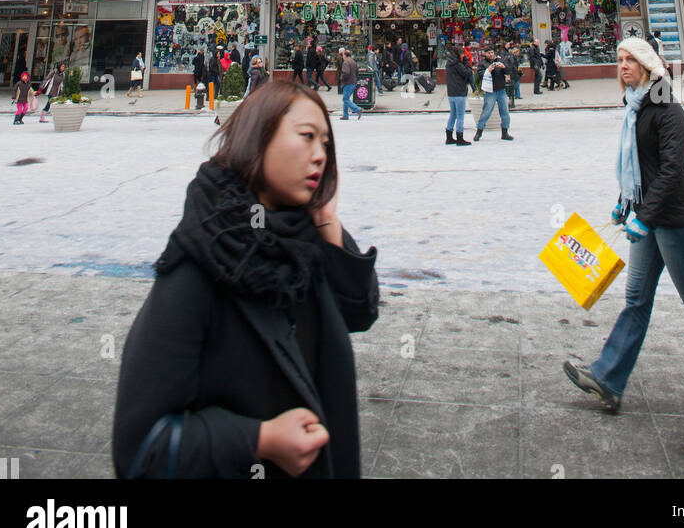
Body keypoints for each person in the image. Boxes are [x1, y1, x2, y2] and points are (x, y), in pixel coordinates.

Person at [113, 80, 379, 478]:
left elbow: (359, 312)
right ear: (259, 137)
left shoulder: (303, 237)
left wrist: (327, 220)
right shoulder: (200, 263)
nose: (320, 155)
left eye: (326, 143)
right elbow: (140, 449)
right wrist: (260, 439)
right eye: (307, 137)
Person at [563, 39, 684, 433]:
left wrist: (646, 215)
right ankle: (608, 379)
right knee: (636, 299)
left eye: (631, 60)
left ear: (649, 65)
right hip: (649, 219)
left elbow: (672, 171)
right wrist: (626, 202)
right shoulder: (636, 106)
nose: (623, 66)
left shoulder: (667, 110)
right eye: (619, 60)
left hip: (676, 223)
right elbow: (641, 166)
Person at [474, 49, 513, 141]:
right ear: (485, 54)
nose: (491, 54)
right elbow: (479, 75)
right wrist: (487, 70)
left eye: (492, 52)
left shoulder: (500, 60)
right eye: (489, 53)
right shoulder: (482, 63)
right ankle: (479, 132)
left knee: (505, 112)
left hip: (501, 90)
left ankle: (505, 132)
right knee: (486, 112)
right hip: (490, 91)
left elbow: (508, 71)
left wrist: (504, 67)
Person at [445, 45, 474, 146]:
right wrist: (467, 61)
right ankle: (460, 137)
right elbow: (468, 73)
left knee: (453, 114)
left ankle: (449, 137)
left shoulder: (449, 63)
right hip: (459, 93)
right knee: (460, 116)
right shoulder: (457, 64)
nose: (463, 56)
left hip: (451, 93)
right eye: (462, 55)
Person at [337, 49, 362, 121]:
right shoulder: (353, 61)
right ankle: (345, 115)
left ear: (345, 55)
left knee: (345, 99)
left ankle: (358, 109)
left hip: (348, 82)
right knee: (346, 98)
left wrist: (341, 77)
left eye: (343, 55)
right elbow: (357, 71)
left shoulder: (346, 62)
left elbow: (346, 72)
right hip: (353, 81)